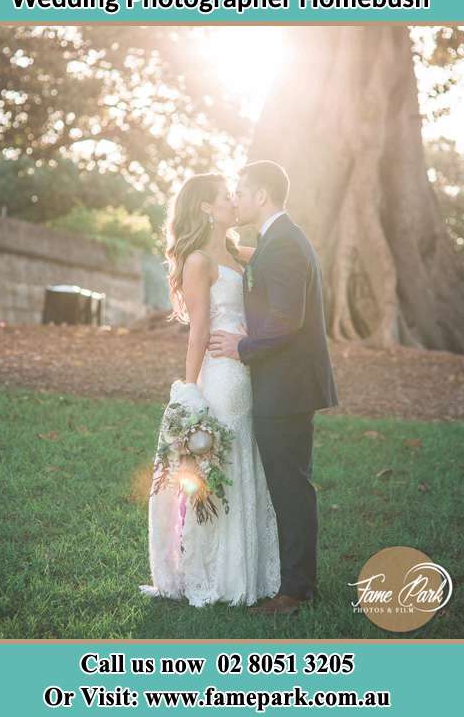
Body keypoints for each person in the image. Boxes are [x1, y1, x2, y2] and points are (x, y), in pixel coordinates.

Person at [139, 173, 280, 607]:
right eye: (225, 198)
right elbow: (198, 329)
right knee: (220, 470)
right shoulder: (200, 260)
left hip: (249, 367)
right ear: (206, 208)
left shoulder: (240, 254)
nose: (233, 203)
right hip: (222, 375)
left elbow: (283, 257)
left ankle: (246, 569)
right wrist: (189, 390)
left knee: (243, 464)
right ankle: (216, 573)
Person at [209, 160, 338, 615]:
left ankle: (295, 591)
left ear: (261, 195)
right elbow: (261, 277)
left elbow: (287, 320)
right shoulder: (277, 241)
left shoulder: (283, 244)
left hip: (286, 387)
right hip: (286, 384)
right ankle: (296, 582)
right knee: (290, 484)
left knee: (289, 488)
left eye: (241, 192)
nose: (236, 199)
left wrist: (241, 345)